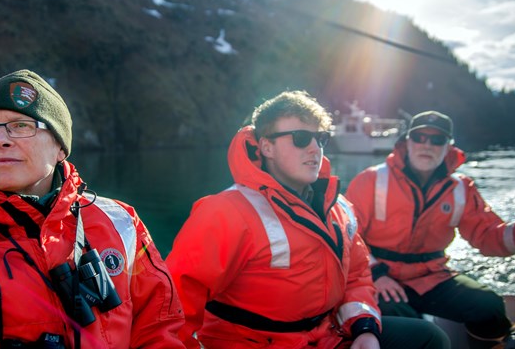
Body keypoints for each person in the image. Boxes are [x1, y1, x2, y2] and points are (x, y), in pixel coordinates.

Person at [0, 69, 185, 348]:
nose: (0, 140)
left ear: (60, 148)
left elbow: (159, 330)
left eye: (21, 126)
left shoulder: (123, 222)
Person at [166, 91, 450, 348]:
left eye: (321, 139)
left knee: (430, 338)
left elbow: (357, 276)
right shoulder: (225, 212)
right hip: (254, 344)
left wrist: (364, 329)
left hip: (326, 336)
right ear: (266, 147)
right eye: (301, 138)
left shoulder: (338, 208)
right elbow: (172, 305)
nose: (315, 148)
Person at [345, 110, 515, 348]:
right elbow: (348, 236)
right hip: (380, 275)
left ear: (448, 146)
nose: (426, 145)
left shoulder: (462, 188)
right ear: (407, 142)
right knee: (403, 319)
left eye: (437, 139)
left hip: (432, 276)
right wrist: (376, 275)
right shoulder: (370, 180)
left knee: (489, 307)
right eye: (419, 137)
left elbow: (488, 235)